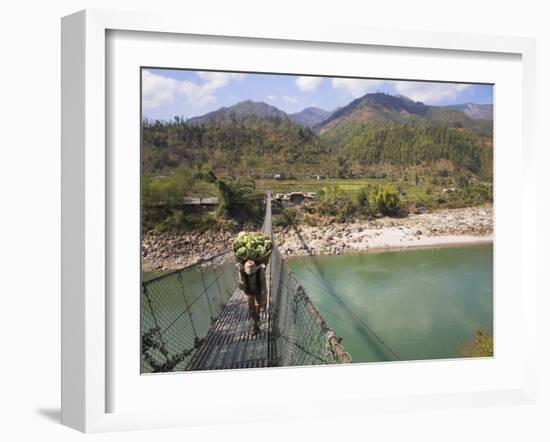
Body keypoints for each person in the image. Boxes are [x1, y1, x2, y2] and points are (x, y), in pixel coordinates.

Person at [237, 259, 267, 335]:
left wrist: (264, 299)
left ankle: (257, 320)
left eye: (252, 274)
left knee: (258, 305)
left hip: (258, 289)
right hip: (249, 290)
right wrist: (240, 279)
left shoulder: (260, 271)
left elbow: (263, 286)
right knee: (251, 310)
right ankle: (255, 326)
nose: (250, 275)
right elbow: (242, 287)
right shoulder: (242, 271)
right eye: (249, 274)